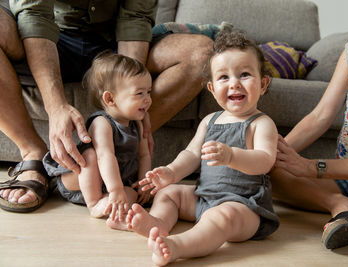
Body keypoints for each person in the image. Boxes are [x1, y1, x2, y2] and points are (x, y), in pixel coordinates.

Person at [0, 0, 213, 212]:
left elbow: (135, 18)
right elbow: (34, 15)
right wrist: (56, 107)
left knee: (201, 53)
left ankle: (121, 148)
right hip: (48, 38)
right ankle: (33, 153)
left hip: (113, 43)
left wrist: (131, 97)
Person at [113, 31, 280, 266]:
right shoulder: (210, 120)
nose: (234, 83)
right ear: (211, 89)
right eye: (224, 77)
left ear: (263, 84)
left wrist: (231, 155)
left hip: (244, 206)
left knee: (221, 217)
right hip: (203, 197)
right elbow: (191, 154)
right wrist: (171, 172)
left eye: (244, 74)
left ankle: (178, 246)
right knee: (169, 194)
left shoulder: (261, 123)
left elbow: (264, 160)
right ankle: (158, 223)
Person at [270, 0, 348, 253]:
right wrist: (274, 155)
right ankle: (342, 206)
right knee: (269, 170)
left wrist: (310, 167)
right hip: (345, 179)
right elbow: (320, 116)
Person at [42, 52, 152, 223]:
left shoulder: (138, 122)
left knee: (133, 194)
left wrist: (144, 184)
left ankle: (117, 216)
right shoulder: (102, 123)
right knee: (91, 156)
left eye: (148, 92)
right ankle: (94, 204)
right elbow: (105, 156)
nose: (148, 100)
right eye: (139, 94)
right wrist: (115, 189)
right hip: (81, 182)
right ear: (110, 98)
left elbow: (144, 155)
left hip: (115, 182)